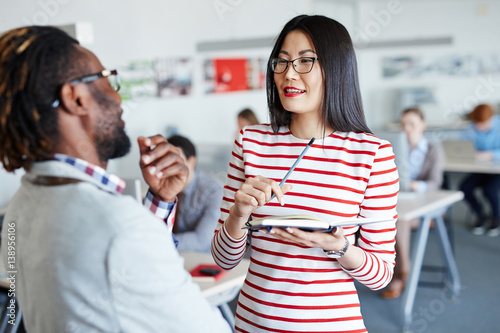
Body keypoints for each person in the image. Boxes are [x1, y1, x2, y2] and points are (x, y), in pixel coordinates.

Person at [0, 26, 230, 333]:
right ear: (76, 98)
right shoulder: (118, 225)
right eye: (108, 79)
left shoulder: (20, 206)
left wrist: (160, 201)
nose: (118, 97)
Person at [211, 15, 399, 332]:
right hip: (253, 323)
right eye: (281, 62)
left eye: (305, 61)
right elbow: (223, 259)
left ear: (336, 70)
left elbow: (381, 275)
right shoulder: (251, 142)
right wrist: (238, 213)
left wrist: (339, 247)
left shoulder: (371, 154)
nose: (289, 74)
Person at [380, 107, 444, 299]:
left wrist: (417, 185)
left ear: (423, 125)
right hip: (399, 199)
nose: (407, 128)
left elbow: (435, 183)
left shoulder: (433, 150)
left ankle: (401, 272)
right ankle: (386, 270)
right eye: (403, 124)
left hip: (423, 203)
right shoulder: (394, 148)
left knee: (399, 220)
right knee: (386, 217)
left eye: (412, 124)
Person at [167, 134, 223, 253]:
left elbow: (201, 240)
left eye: (175, 160)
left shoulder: (212, 190)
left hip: (198, 259)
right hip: (167, 256)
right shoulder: (163, 187)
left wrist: (161, 243)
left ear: (191, 161)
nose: (169, 166)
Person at [460, 104, 500, 237]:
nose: (479, 127)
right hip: (481, 169)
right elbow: (463, 145)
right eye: (476, 123)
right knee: (465, 187)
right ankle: (480, 214)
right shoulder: (472, 128)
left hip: (497, 171)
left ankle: (496, 218)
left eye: (482, 124)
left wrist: (490, 154)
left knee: (489, 190)